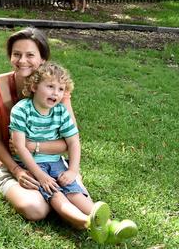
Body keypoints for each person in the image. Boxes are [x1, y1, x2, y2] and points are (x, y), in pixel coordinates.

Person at [10, 62, 137, 244]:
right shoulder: (22, 110)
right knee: (55, 193)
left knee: (73, 191)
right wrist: (40, 175)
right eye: (50, 86)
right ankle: (87, 223)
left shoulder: (60, 112)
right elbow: (20, 147)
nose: (56, 93)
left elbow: (74, 142)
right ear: (34, 86)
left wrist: (72, 171)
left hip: (56, 162)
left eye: (61, 89)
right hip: (32, 164)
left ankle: (111, 226)